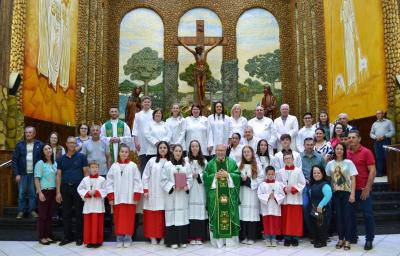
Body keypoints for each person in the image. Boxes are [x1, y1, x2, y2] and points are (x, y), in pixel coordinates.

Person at [203, 144, 241, 248]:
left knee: (230, 215)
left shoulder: (232, 162)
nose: (220, 152)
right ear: (215, 151)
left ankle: (230, 242)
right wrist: (214, 176)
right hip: (215, 197)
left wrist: (228, 175)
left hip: (229, 196)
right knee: (216, 215)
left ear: (225, 151)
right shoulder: (210, 164)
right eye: (218, 150)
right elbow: (205, 177)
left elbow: (238, 175)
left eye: (222, 150)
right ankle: (218, 242)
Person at [106, 144, 143, 248]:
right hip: (117, 198)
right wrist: (111, 196)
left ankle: (128, 238)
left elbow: (137, 181)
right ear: (119, 153)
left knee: (129, 219)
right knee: (118, 219)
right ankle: (119, 238)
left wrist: (136, 196)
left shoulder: (133, 166)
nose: (124, 153)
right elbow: (109, 182)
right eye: (122, 151)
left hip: (129, 198)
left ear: (129, 153)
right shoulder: (114, 166)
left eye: (126, 152)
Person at [56, 136, 89, 246]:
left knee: (79, 213)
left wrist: (86, 190)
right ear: (66, 144)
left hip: (78, 189)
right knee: (66, 213)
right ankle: (67, 237)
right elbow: (59, 175)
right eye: (70, 143)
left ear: (76, 144)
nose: (72, 145)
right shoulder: (61, 159)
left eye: (74, 143)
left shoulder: (82, 157)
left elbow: (86, 173)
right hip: (65, 188)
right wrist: (58, 192)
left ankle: (79, 237)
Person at [347, 130, 376, 251]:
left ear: (359, 139)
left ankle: (369, 239)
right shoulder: (346, 153)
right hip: (350, 190)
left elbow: (373, 170)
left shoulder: (366, 152)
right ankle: (353, 237)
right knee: (350, 215)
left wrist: (368, 188)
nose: (351, 139)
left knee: (368, 215)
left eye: (354, 137)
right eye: (349, 137)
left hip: (363, 189)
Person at [326, 142, 357, 251]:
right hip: (335, 194)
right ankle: (340, 238)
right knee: (338, 217)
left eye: (341, 149)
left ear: (344, 151)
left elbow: (353, 178)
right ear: (334, 150)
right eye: (337, 149)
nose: (339, 151)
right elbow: (328, 179)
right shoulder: (330, 164)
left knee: (347, 216)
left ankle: (348, 239)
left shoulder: (349, 162)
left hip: (347, 192)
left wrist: (352, 194)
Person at [161, 144, 192, 249]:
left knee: (182, 217)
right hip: (172, 196)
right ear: (173, 152)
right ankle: (172, 241)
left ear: (182, 153)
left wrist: (186, 185)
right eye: (176, 151)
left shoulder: (186, 165)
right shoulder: (167, 165)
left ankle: (182, 240)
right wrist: (172, 187)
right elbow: (163, 180)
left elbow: (190, 178)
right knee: (171, 218)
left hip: (182, 195)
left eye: (180, 151)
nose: (178, 153)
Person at [142, 141, 170, 245]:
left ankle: (163, 236)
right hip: (153, 192)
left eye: (164, 148)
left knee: (164, 216)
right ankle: (152, 236)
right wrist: (145, 189)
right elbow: (145, 176)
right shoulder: (152, 161)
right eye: (161, 147)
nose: (162, 149)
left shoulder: (170, 161)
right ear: (157, 149)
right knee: (152, 216)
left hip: (166, 193)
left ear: (168, 149)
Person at [12, 126, 42, 219]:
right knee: (21, 193)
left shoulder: (39, 144)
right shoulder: (19, 145)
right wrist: (16, 174)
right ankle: (21, 211)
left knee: (33, 193)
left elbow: (43, 159)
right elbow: (14, 160)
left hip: (34, 174)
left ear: (34, 134)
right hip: (22, 173)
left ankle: (32, 210)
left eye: (30, 132)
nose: (28, 134)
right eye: (26, 132)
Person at [276, 152, 305, 247]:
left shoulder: (298, 171)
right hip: (285, 200)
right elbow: (278, 183)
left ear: (293, 160)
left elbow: (302, 183)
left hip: (295, 199)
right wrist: (284, 188)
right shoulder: (280, 172)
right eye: (286, 158)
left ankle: (295, 238)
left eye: (289, 158)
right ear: (283, 160)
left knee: (295, 220)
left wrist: (293, 189)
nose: (288, 160)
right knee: (286, 220)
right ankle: (287, 238)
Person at [77, 161, 107, 248]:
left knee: (98, 224)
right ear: (89, 169)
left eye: (96, 167)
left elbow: (105, 190)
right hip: (88, 205)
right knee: (88, 224)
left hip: (98, 205)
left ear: (98, 168)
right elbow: (79, 189)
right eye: (93, 167)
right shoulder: (85, 179)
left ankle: (97, 241)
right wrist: (87, 192)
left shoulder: (102, 179)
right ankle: (89, 241)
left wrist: (97, 192)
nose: (94, 169)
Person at [300, 137, 325, 238]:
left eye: (311, 144)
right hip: (304, 185)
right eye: (307, 145)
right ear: (304, 145)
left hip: (317, 185)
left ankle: (321, 231)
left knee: (319, 207)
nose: (309, 146)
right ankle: (311, 231)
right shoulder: (299, 157)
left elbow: (324, 173)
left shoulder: (319, 157)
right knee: (305, 206)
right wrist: (303, 179)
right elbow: (297, 170)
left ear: (314, 144)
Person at [238, 146, 264, 245]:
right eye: (244, 152)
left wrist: (249, 181)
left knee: (252, 215)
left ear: (252, 153)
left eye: (248, 152)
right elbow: (235, 177)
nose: (246, 154)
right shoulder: (238, 165)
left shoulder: (257, 165)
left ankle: (252, 237)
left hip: (252, 193)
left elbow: (261, 178)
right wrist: (241, 180)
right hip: (243, 193)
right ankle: (243, 236)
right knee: (243, 214)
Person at [185, 140, 208, 245]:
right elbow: (182, 172)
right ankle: (191, 237)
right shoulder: (185, 160)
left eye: (196, 146)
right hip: (190, 189)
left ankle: (199, 237)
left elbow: (206, 175)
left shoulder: (204, 161)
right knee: (190, 212)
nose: (194, 148)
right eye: (192, 146)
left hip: (200, 189)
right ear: (190, 148)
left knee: (199, 212)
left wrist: (199, 176)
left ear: (199, 148)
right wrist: (190, 175)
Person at [34, 143, 57, 245]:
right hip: (44, 191)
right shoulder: (40, 163)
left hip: (53, 191)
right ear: (43, 152)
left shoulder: (54, 163)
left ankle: (48, 235)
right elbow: (36, 178)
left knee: (49, 215)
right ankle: (42, 236)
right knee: (42, 215)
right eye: (46, 149)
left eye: (49, 148)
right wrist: (39, 192)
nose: (48, 150)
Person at [257, 166, 285, 247]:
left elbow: (282, 195)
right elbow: (259, 194)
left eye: (272, 174)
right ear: (266, 174)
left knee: (275, 223)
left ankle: (273, 239)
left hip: (275, 208)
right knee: (267, 223)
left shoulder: (278, 184)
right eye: (269, 174)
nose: (270, 175)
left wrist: (275, 196)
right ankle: (267, 239)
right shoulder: (262, 184)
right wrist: (268, 196)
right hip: (266, 208)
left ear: (274, 174)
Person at [309, 165, 332, 248]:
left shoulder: (325, 185)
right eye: (314, 173)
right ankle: (317, 239)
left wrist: (321, 205)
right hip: (314, 209)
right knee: (316, 225)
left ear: (322, 173)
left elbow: (328, 195)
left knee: (322, 226)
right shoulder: (314, 184)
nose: (316, 174)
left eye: (318, 172)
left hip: (322, 210)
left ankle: (322, 242)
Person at [369, 110, 395, 177]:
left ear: (383, 114)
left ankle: (390, 172)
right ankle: (379, 173)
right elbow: (371, 133)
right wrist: (375, 137)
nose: (378, 115)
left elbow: (393, 131)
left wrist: (385, 136)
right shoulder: (374, 124)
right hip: (377, 142)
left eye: (379, 113)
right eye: (377, 114)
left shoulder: (388, 122)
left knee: (387, 157)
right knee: (378, 157)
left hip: (386, 141)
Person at [132, 96, 154, 172]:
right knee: (143, 167)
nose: (147, 103)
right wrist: (136, 142)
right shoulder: (138, 115)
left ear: (150, 103)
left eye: (148, 102)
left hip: (152, 144)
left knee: (153, 167)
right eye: (145, 102)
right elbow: (135, 129)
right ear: (142, 103)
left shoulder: (154, 113)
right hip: (142, 143)